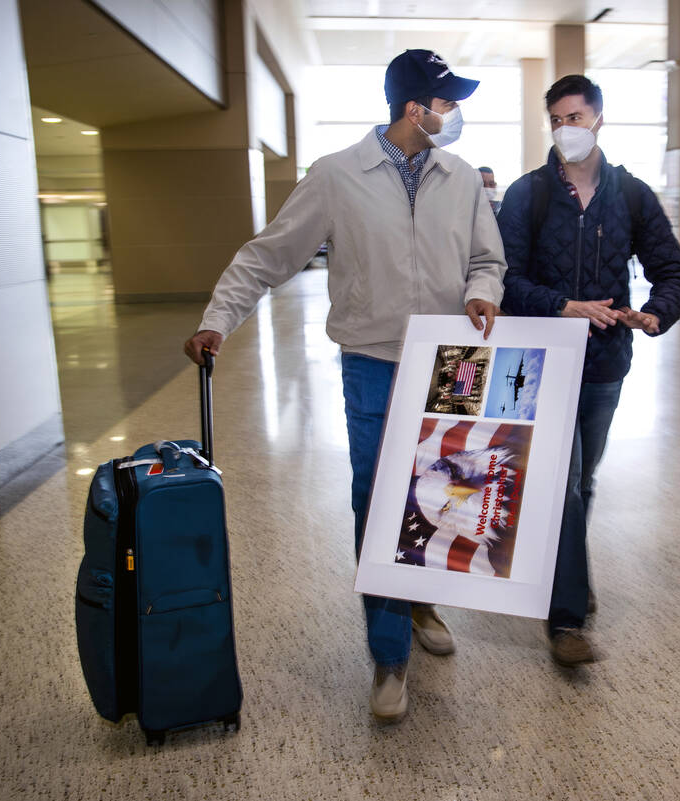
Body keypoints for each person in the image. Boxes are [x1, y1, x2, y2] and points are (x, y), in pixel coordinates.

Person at [181, 49, 506, 722]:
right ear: (415, 107)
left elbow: (486, 258)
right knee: (379, 498)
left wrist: (481, 292)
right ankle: (388, 653)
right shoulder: (336, 176)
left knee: (446, 488)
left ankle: (422, 600)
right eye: (447, 102)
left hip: (453, 359)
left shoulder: (462, 177)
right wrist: (218, 320)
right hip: (375, 359)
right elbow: (268, 254)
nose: (455, 113)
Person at [497, 74, 680, 665]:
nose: (566, 129)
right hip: (543, 360)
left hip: (606, 363)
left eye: (576, 117)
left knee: (581, 481)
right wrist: (562, 305)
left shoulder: (630, 195)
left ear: (599, 120)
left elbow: (673, 273)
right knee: (562, 482)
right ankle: (567, 618)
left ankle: (567, 574)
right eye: (556, 119)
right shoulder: (527, 194)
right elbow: (504, 278)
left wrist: (655, 315)